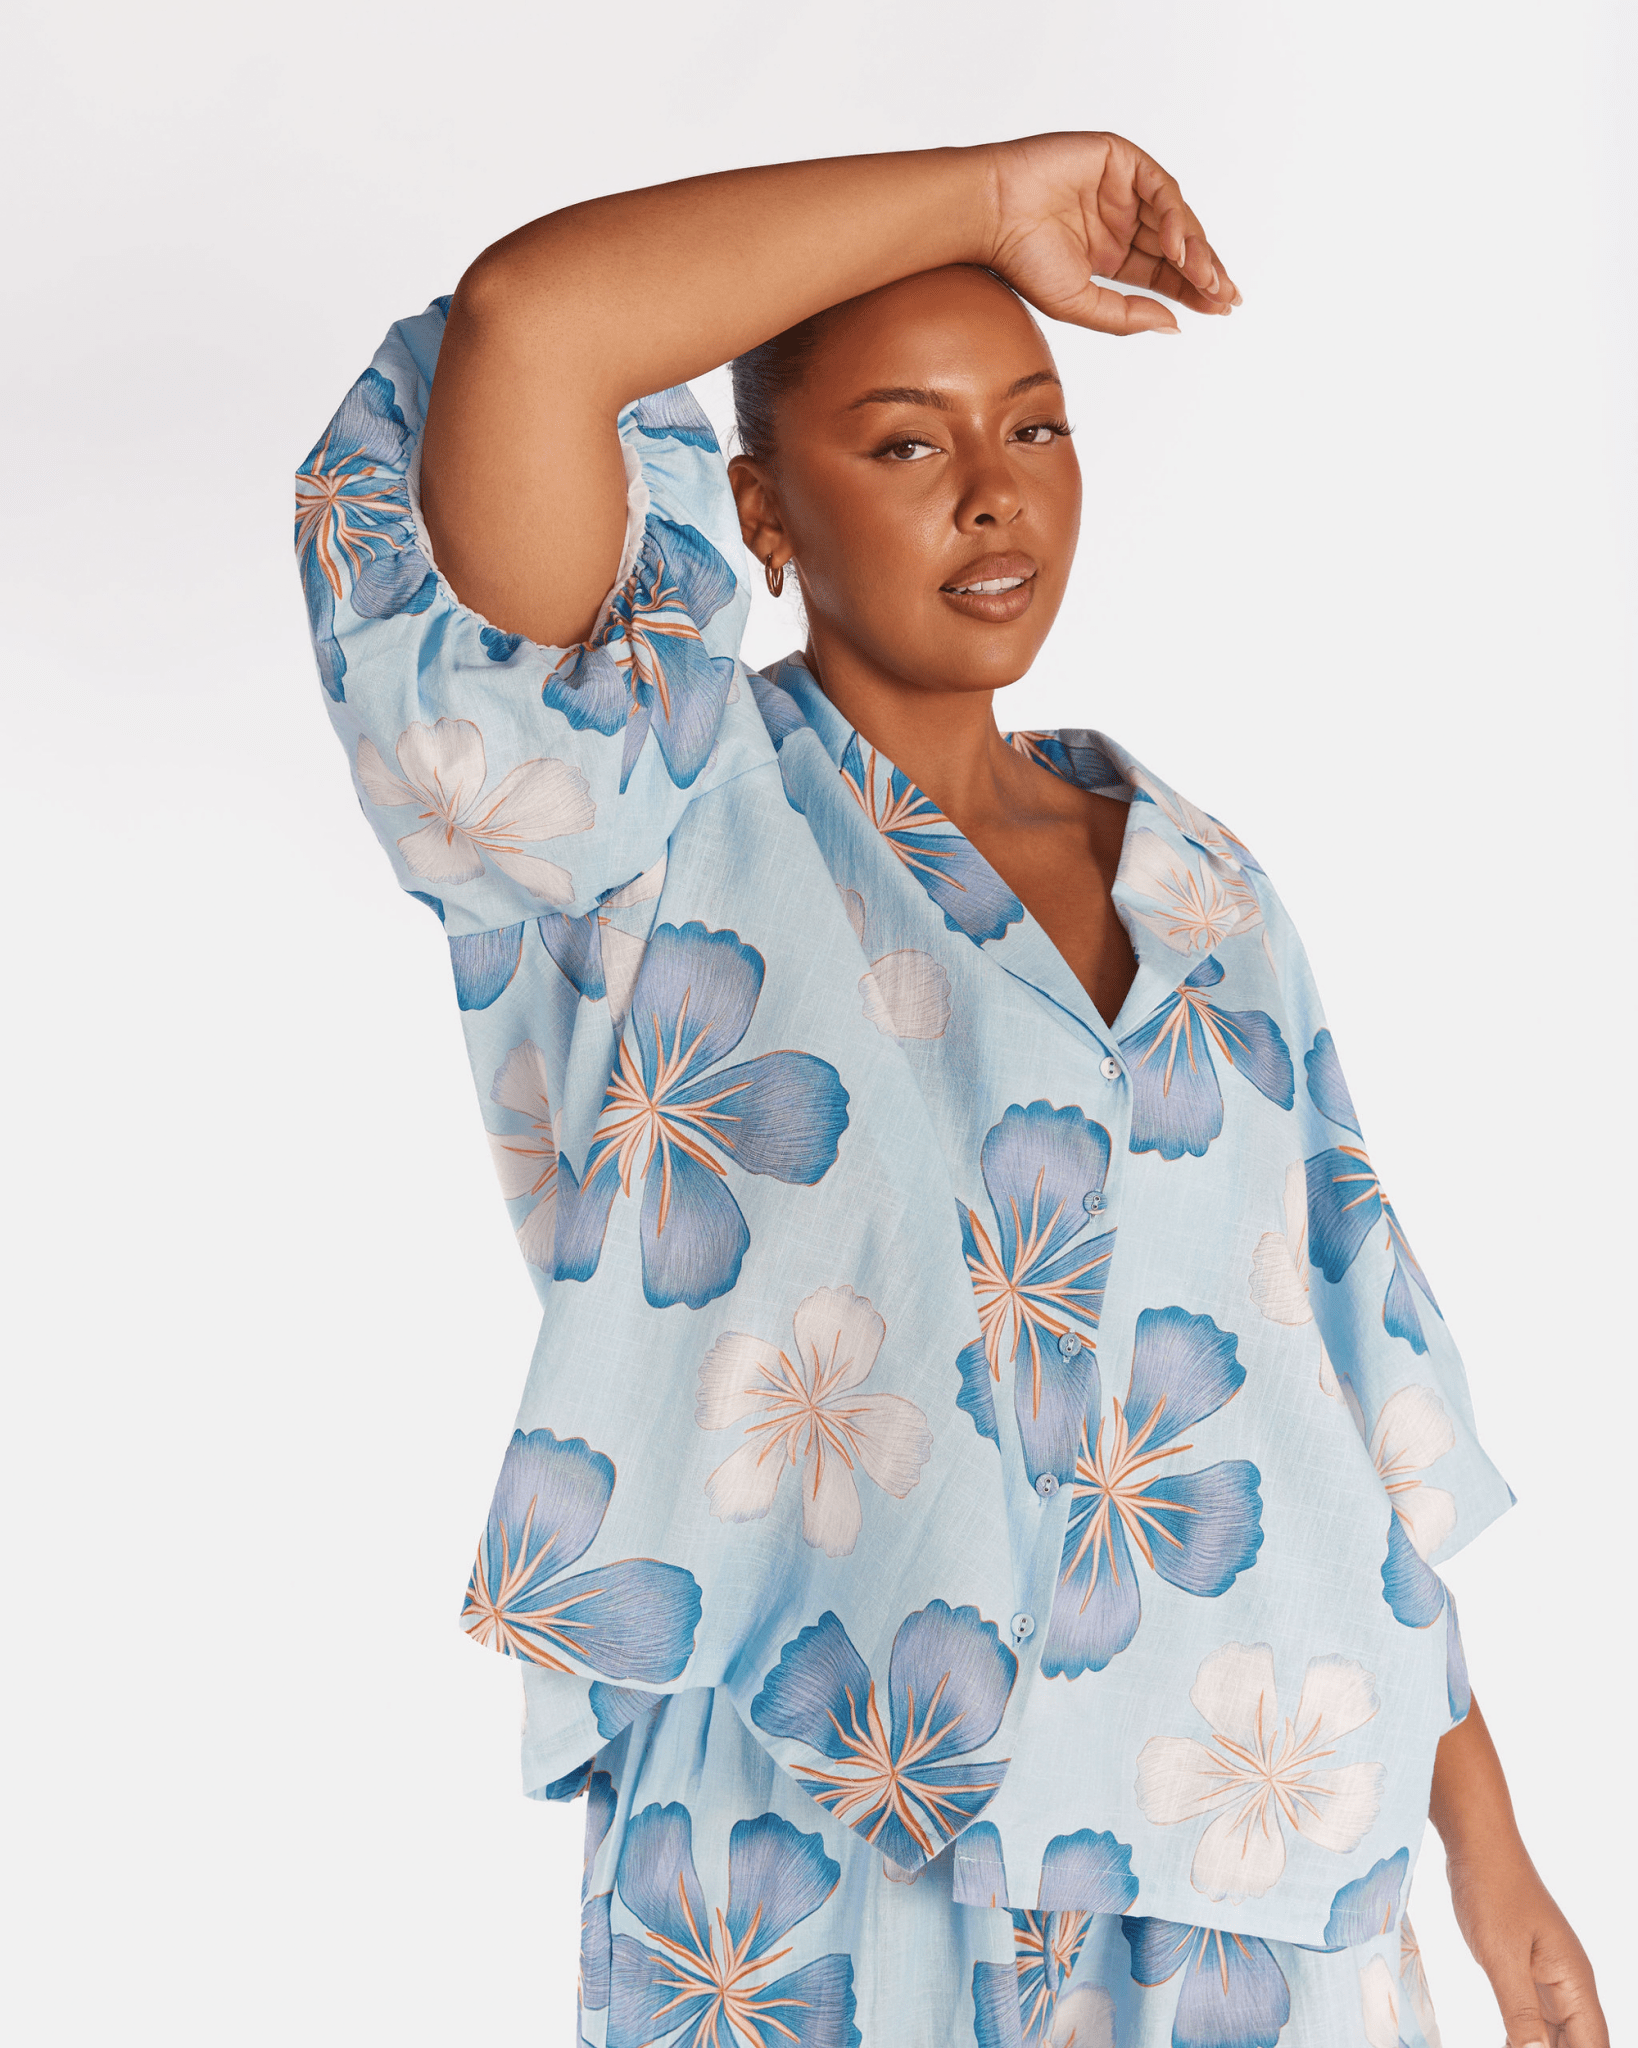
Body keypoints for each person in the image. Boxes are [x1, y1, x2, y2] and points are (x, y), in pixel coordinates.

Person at [294, 135, 1606, 2048]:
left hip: (1246, 1866)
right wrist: (987, 202)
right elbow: (531, 319)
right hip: (815, 1855)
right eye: (905, 443)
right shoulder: (650, 820)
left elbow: (1345, 1404)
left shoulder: (1202, 889)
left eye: (1034, 427)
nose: (993, 493)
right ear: (759, 509)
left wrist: (1490, 1853)